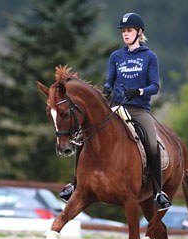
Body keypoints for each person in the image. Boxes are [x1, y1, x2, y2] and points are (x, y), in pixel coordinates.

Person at [60, 12, 171, 211]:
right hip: (116, 107)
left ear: (139, 32)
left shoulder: (149, 57)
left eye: (129, 31)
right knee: (86, 136)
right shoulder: (116, 56)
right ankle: (74, 184)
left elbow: (155, 86)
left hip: (138, 109)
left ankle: (158, 191)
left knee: (151, 144)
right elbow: (109, 80)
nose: (125, 34)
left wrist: (139, 91)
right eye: (123, 31)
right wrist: (107, 89)